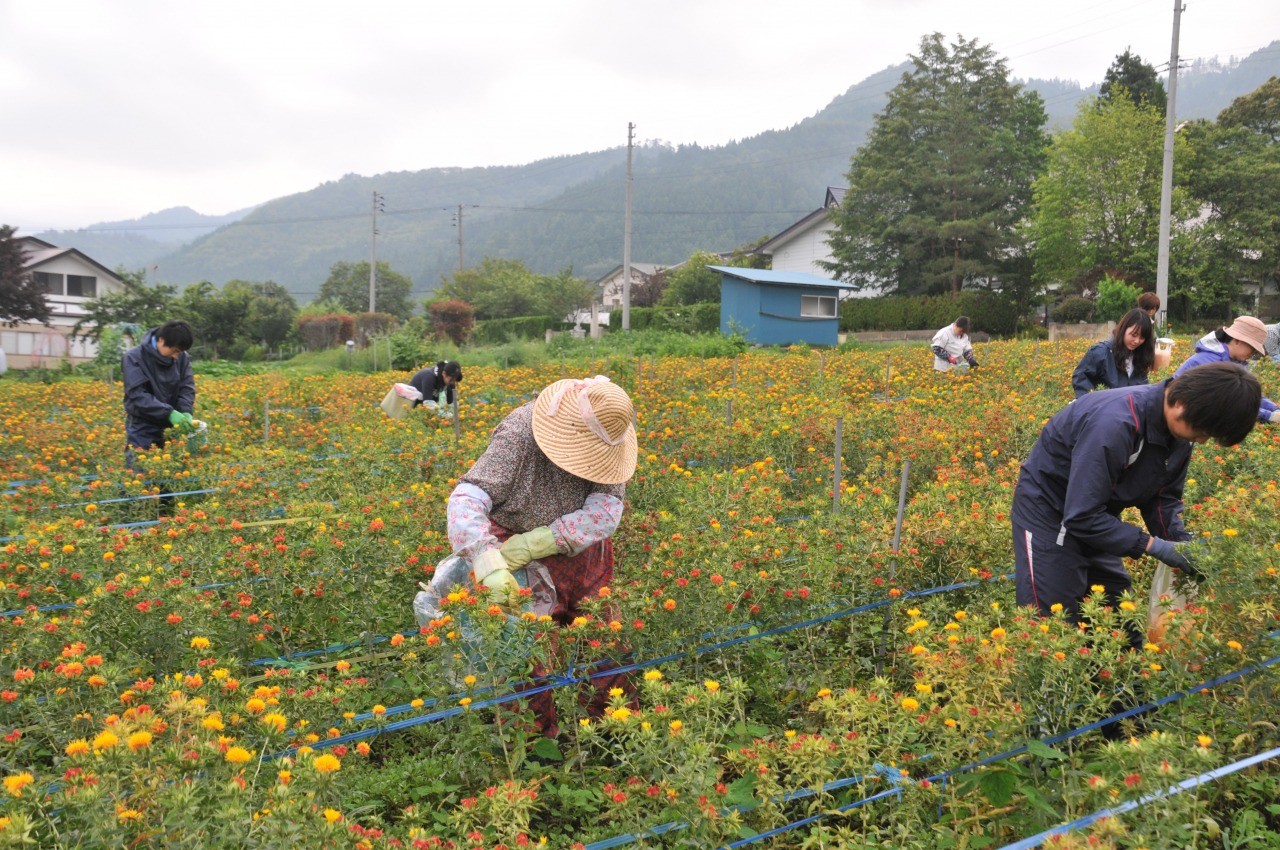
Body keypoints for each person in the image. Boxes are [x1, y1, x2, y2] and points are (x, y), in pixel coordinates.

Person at [1012, 362, 1260, 648]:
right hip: (1050, 512)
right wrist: (1153, 546)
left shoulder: (1180, 431)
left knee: (1117, 613)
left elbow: (1162, 496)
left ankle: (1123, 674)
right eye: (1202, 430)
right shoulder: (1116, 423)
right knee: (1054, 623)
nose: (1202, 440)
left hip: (1097, 514)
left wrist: (1179, 542)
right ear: (1181, 402)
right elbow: (1080, 516)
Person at [446, 375, 638, 736]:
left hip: (583, 551)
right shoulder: (520, 432)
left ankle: (616, 734)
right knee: (524, 653)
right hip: (514, 557)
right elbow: (467, 499)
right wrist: (487, 563)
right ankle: (534, 744)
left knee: (604, 639)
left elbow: (606, 509)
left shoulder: (611, 430)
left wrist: (544, 539)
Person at [1174, 316, 1279, 424]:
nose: (1253, 353)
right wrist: (1269, 416)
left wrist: (1275, 409)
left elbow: (1248, 395)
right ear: (1237, 340)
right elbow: (1229, 404)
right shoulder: (1212, 362)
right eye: (1252, 348)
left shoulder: (1231, 361)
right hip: (1184, 419)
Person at [122, 320, 196, 460]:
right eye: (174, 351)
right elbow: (137, 394)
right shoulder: (134, 358)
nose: (176, 356)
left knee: (173, 469)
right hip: (142, 426)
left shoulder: (182, 357)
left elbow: (186, 386)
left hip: (172, 425)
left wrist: (185, 410)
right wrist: (168, 413)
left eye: (180, 352)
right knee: (140, 467)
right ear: (161, 340)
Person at [1071, 309, 1155, 397]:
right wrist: (1092, 401)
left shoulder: (1140, 357)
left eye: (1142, 337)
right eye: (1134, 335)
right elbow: (1080, 377)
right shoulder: (1101, 352)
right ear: (1124, 329)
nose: (1137, 341)